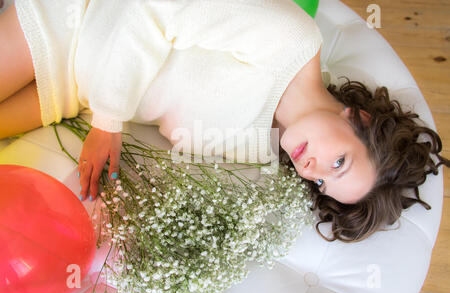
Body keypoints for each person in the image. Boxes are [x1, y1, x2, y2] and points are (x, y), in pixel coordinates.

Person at [0, 0, 448, 243]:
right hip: (74, 19)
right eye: (339, 164)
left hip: (71, 95)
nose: (312, 173)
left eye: (321, 186)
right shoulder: (291, 40)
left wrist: (111, 204)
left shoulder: (254, 149)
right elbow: (152, 9)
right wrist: (109, 122)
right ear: (359, 118)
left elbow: (153, 140)